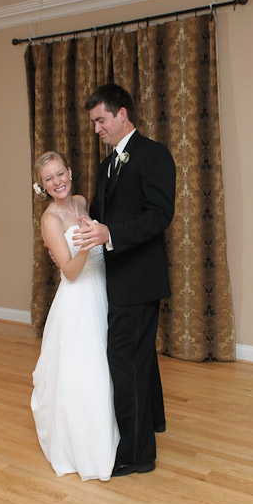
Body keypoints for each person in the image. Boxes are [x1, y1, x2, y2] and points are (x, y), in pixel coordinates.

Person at [73, 84, 176, 476]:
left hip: (140, 278)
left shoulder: (153, 154)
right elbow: (100, 217)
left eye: (100, 120)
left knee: (125, 359)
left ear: (122, 114)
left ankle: (136, 454)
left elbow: (160, 214)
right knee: (139, 356)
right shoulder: (106, 166)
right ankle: (152, 422)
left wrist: (110, 234)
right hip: (115, 278)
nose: (96, 129)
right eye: (93, 122)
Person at [30, 151, 119, 481]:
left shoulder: (81, 202)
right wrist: (85, 246)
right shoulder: (50, 220)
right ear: (42, 187)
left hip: (101, 289)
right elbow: (68, 271)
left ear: (70, 172)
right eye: (49, 179)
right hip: (78, 299)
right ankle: (86, 448)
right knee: (86, 371)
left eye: (60, 174)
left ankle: (110, 436)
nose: (57, 182)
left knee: (107, 365)